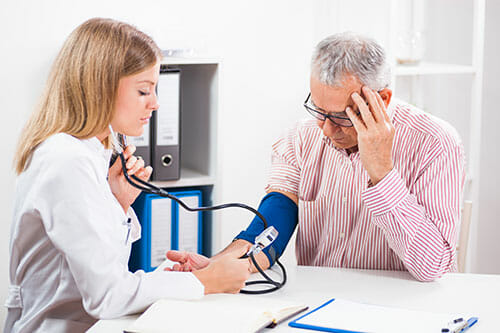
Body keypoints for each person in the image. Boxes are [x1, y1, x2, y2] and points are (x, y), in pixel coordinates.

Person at [6, 18, 251, 333]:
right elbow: (106, 297)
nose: (156, 103)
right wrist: (202, 281)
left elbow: (104, 273)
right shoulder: (66, 161)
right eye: (143, 90)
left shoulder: (87, 153)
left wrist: (119, 203)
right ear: (101, 86)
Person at [166, 32, 465, 283]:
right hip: (319, 304)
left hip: (404, 309)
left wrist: (383, 174)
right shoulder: (300, 138)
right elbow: (274, 220)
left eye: (341, 116)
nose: (326, 128)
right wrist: (221, 264)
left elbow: (433, 266)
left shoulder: (435, 143)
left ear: (382, 100)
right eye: (318, 110)